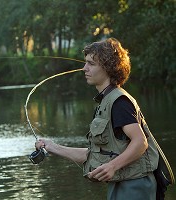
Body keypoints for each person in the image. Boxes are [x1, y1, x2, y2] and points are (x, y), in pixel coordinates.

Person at [35, 38, 159, 200]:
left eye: (91, 64)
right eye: (85, 63)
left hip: (135, 186)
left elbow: (140, 142)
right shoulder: (106, 102)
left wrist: (112, 166)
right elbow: (93, 155)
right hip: (122, 183)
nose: (84, 68)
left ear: (108, 68)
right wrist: (52, 147)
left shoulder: (119, 102)